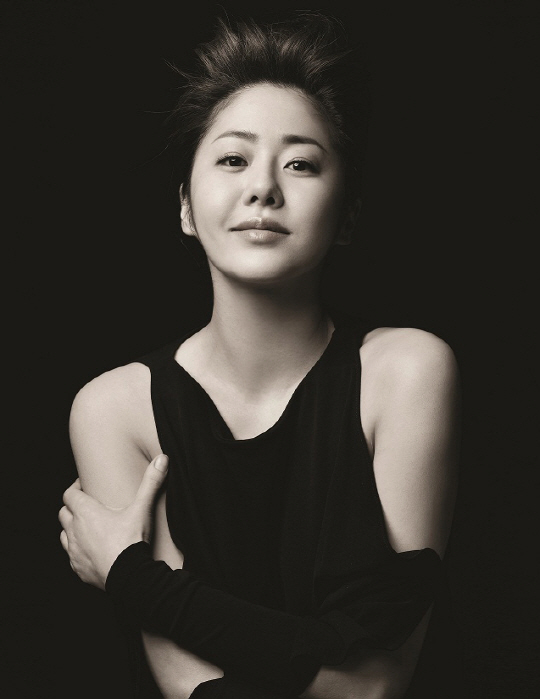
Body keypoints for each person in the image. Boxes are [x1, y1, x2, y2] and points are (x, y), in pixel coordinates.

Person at [59, 13, 461, 699]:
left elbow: (372, 684)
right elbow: (190, 685)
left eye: (300, 163)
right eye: (232, 159)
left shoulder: (407, 373)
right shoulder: (115, 409)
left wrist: (131, 578)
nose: (264, 188)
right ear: (186, 208)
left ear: (347, 216)